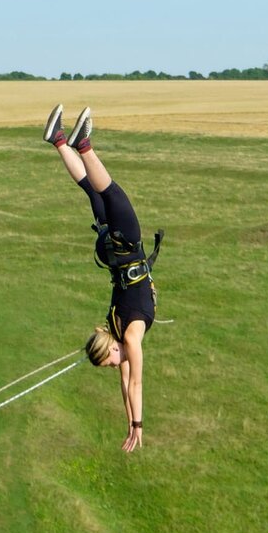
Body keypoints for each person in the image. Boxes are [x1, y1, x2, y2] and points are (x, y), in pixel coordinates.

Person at [44, 104, 162, 453]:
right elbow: (129, 387)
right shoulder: (121, 330)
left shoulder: (130, 336)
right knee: (94, 191)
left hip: (125, 244)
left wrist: (139, 424)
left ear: (111, 347)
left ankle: (83, 145)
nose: (116, 367)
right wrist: (131, 423)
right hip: (114, 247)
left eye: (111, 362)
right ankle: (59, 140)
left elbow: (136, 384)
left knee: (110, 192)